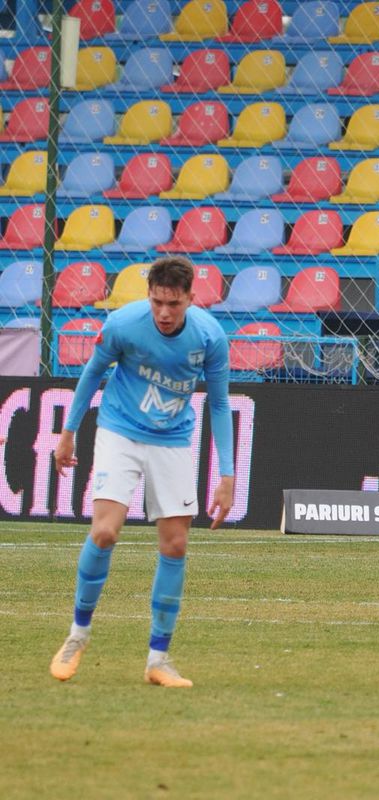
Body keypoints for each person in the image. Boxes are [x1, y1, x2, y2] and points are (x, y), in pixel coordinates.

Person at [49, 256, 235, 689]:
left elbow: (220, 403)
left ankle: (158, 659)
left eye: (174, 304)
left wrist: (227, 475)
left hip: (172, 439)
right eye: (157, 302)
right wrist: (68, 433)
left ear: (191, 298)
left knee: (175, 544)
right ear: (148, 295)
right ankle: (77, 635)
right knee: (104, 532)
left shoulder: (210, 337)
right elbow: (93, 373)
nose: (164, 313)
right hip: (120, 431)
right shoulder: (123, 324)